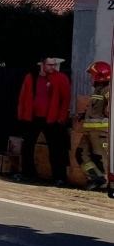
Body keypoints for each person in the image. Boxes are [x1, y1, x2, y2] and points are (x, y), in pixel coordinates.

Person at [16, 57, 71, 186]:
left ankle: (59, 177)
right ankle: (27, 173)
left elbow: (66, 99)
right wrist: (21, 115)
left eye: (54, 64)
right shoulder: (31, 77)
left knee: (56, 149)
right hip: (32, 117)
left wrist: (61, 119)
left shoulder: (61, 78)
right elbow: (23, 97)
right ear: (42, 64)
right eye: (49, 65)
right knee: (28, 146)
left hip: (52, 119)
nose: (53, 67)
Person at [74, 60, 110, 191]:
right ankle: (96, 178)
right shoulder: (98, 90)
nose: (90, 78)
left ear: (100, 76)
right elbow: (96, 109)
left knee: (100, 158)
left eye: (92, 75)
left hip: (100, 133)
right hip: (89, 131)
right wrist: (83, 115)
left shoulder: (108, 90)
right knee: (80, 154)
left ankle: (105, 184)